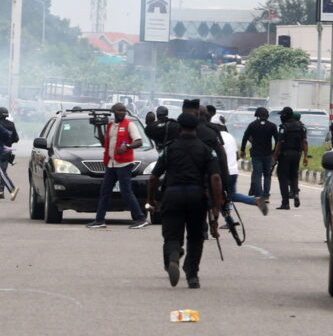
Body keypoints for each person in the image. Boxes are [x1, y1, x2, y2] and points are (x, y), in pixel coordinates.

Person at [147, 112, 223, 288]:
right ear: (196, 128)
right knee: (196, 237)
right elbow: (216, 178)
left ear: (179, 128)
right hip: (197, 197)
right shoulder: (206, 150)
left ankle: (174, 254)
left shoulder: (169, 149)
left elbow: (153, 177)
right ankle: (192, 276)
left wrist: (151, 199)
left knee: (172, 235)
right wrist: (216, 206)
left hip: (173, 196)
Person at [87, 103, 149, 229]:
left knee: (126, 191)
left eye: (124, 110)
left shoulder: (129, 125)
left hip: (124, 164)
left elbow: (139, 142)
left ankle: (140, 218)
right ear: (113, 111)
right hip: (111, 163)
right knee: (105, 192)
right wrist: (99, 128)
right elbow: (105, 143)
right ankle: (99, 220)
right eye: (120, 110)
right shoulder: (111, 125)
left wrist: (127, 146)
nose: (122, 112)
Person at [216, 116, 268, 216]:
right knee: (231, 195)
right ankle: (256, 200)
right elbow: (236, 155)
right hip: (233, 171)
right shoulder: (230, 136)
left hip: (223, 172)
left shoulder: (217, 137)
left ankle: (226, 219)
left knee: (219, 196)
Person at [272, 107, 308, 210]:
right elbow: (304, 142)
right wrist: (305, 156)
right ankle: (296, 193)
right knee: (294, 175)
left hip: (285, 155)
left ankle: (285, 203)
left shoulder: (284, 127)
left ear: (285, 116)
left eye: (281, 115)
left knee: (282, 177)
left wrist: (274, 156)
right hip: (297, 154)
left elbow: (279, 143)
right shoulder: (301, 127)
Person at [240, 107, 278, 202]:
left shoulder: (252, 125)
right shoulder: (272, 126)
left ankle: (259, 196)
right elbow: (278, 140)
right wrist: (274, 151)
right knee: (267, 175)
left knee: (257, 175)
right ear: (267, 115)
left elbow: (245, 137)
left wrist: (242, 150)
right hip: (267, 154)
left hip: (256, 154)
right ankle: (266, 196)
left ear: (257, 115)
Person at [0, 107, 19, 193]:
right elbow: (16, 138)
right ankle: (1, 188)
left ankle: (0, 189)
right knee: (3, 170)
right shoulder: (11, 125)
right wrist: (9, 142)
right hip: (7, 150)